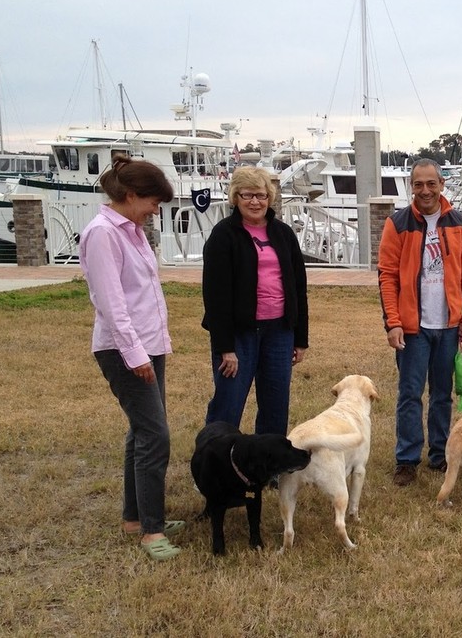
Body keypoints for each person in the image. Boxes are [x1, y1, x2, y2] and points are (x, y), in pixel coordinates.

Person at [79, 154, 182, 561]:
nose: (157, 210)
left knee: (141, 432)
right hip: (124, 350)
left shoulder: (134, 231)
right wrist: (134, 354)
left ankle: (135, 518)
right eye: (153, 201)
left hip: (149, 345)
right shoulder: (103, 234)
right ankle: (152, 532)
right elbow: (111, 304)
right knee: (155, 436)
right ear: (131, 194)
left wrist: (153, 347)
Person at [378, 158, 462, 487]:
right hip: (413, 327)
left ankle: (439, 453)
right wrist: (393, 322)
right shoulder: (398, 224)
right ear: (412, 186)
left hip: (449, 325)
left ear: (441, 184)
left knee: (441, 394)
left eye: (431, 183)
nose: (425, 190)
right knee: (410, 394)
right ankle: (407, 459)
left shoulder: (459, 222)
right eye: (418, 184)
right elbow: (387, 277)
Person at [201, 166, 309, 436]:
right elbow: (215, 296)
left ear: (269, 198)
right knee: (229, 402)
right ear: (235, 197)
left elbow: (298, 287)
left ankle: (269, 467)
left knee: (276, 405)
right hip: (239, 334)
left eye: (261, 195)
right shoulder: (223, 236)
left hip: (279, 331)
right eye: (247, 195)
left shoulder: (283, 234)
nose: (255, 202)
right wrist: (225, 347)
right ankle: (215, 466)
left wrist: (300, 338)